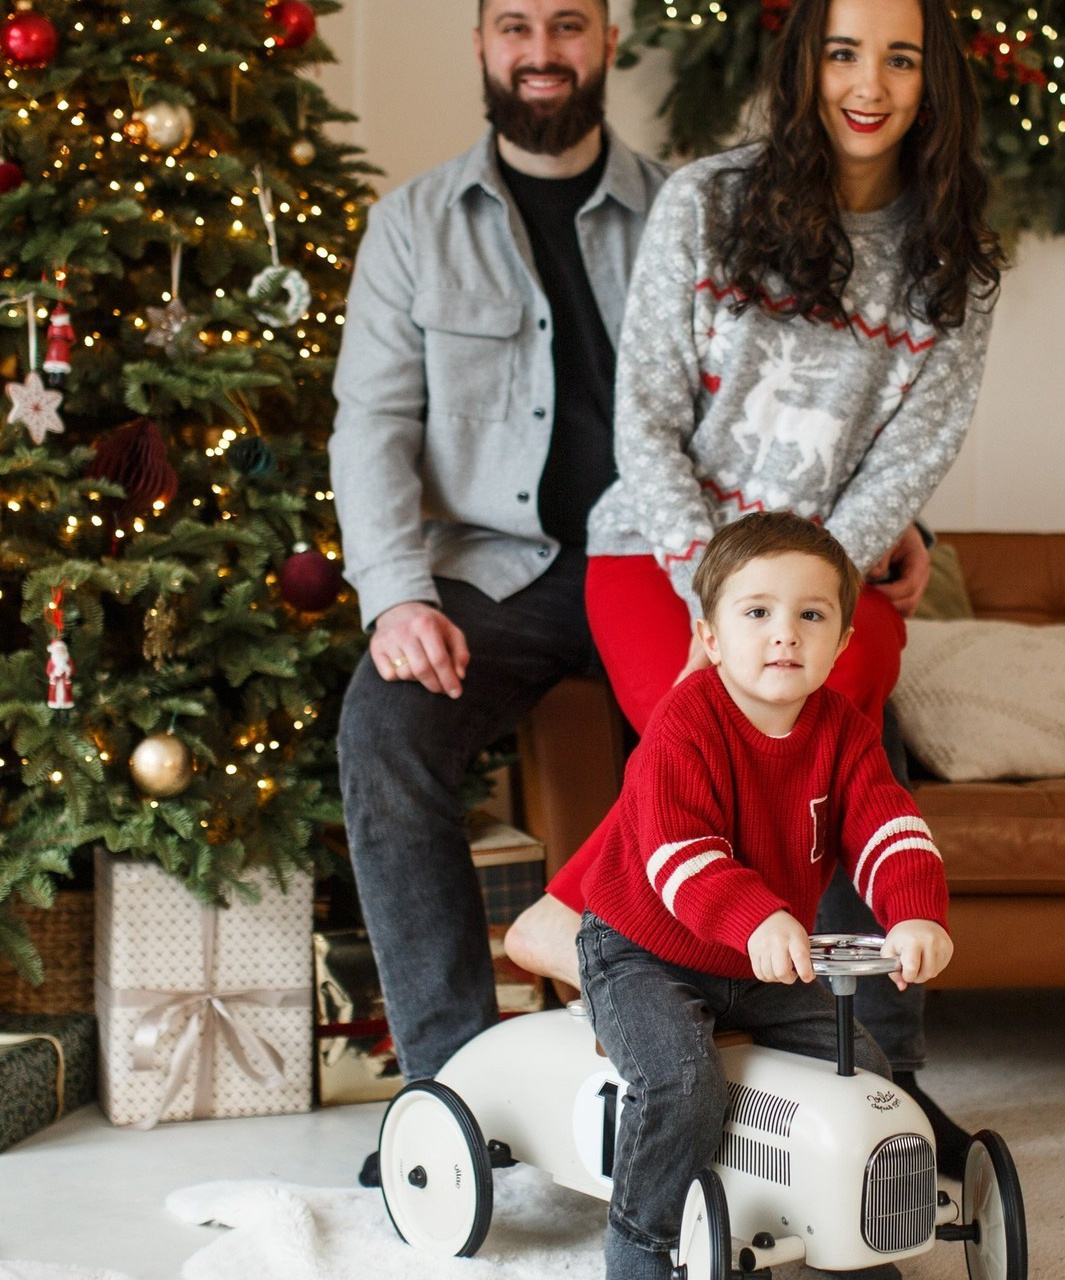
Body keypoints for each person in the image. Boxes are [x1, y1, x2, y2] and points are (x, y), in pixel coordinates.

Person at [507, 0, 1003, 1176]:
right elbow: (645, 416)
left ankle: (877, 1066)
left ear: (935, 80)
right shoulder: (707, 203)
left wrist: (802, 594)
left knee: (839, 737)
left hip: (832, 566)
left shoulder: (955, 259)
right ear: (804, 65)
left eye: (898, 57)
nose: (867, 83)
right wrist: (717, 603)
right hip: (658, 551)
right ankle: (612, 938)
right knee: (709, 712)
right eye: (842, 52)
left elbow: (908, 458)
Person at [328, 0, 667, 1115]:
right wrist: (396, 597)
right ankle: (460, 1092)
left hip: (660, 561)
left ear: (606, 43)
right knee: (385, 728)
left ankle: (752, 1053)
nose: (539, 52)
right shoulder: (412, 223)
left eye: (566, 25)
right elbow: (370, 422)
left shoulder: (683, 213)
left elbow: (764, 394)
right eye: (513, 25)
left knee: (784, 722)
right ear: (480, 45)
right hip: (495, 574)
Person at [577, 511, 953, 1280]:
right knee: (682, 1082)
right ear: (710, 636)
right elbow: (679, 852)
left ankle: (849, 1227)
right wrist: (757, 914)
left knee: (863, 1073)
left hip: (759, 958)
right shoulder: (682, 727)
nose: (785, 634)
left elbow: (888, 823)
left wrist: (914, 910)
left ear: (842, 642)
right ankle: (642, 1240)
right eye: (757, 613)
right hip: (643, 947)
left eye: (811, 615)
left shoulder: (845, 731)